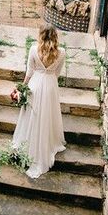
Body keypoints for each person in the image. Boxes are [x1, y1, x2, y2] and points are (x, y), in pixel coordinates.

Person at [11, 23, 66, 179]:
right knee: (47, 115)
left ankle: (28, 144)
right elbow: (57, 73)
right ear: (55, 35)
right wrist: (48, 80)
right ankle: (47, 143)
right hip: (50, 87)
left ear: (41, 35)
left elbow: (29, 71)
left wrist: (22, 88)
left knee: (32, 115)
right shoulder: (62, 52)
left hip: (35, 85)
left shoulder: (34, 50)